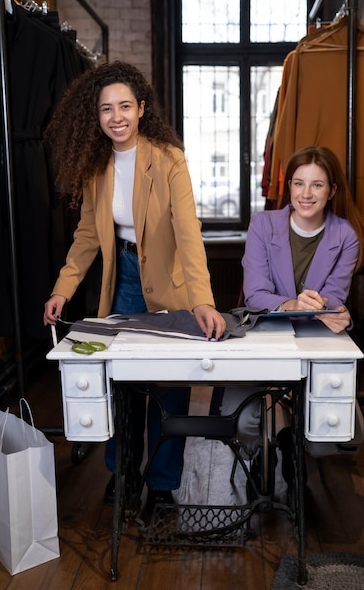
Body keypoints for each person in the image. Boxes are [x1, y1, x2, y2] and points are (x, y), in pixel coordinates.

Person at [43, 60, 226, 508]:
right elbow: (87, 234)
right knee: (122, 385)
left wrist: (202, 301)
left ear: (142, 108)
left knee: (169, 388)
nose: (117, 116)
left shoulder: (168, 160)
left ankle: (162, 483)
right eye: (107, 109)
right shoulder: (95, 165)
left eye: (125, 105)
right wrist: (62, 289)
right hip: (121, 279)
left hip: (170, 282)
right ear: (97, 115)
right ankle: (121, 472)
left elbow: (188, 233)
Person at [220, 145, 364, 487]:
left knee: (331, 432)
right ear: (288, 187)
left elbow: (333, 300)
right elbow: (255, 294)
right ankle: (264, 452)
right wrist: (293, 305)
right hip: (262, 332)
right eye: (298, 183)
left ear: (331, 191)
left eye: (317, 185)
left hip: (313, 339)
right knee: (242, 422)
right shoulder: (262, 224)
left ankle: (289, 440)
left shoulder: (345, 236)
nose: (306, 194)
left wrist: (338, 314)